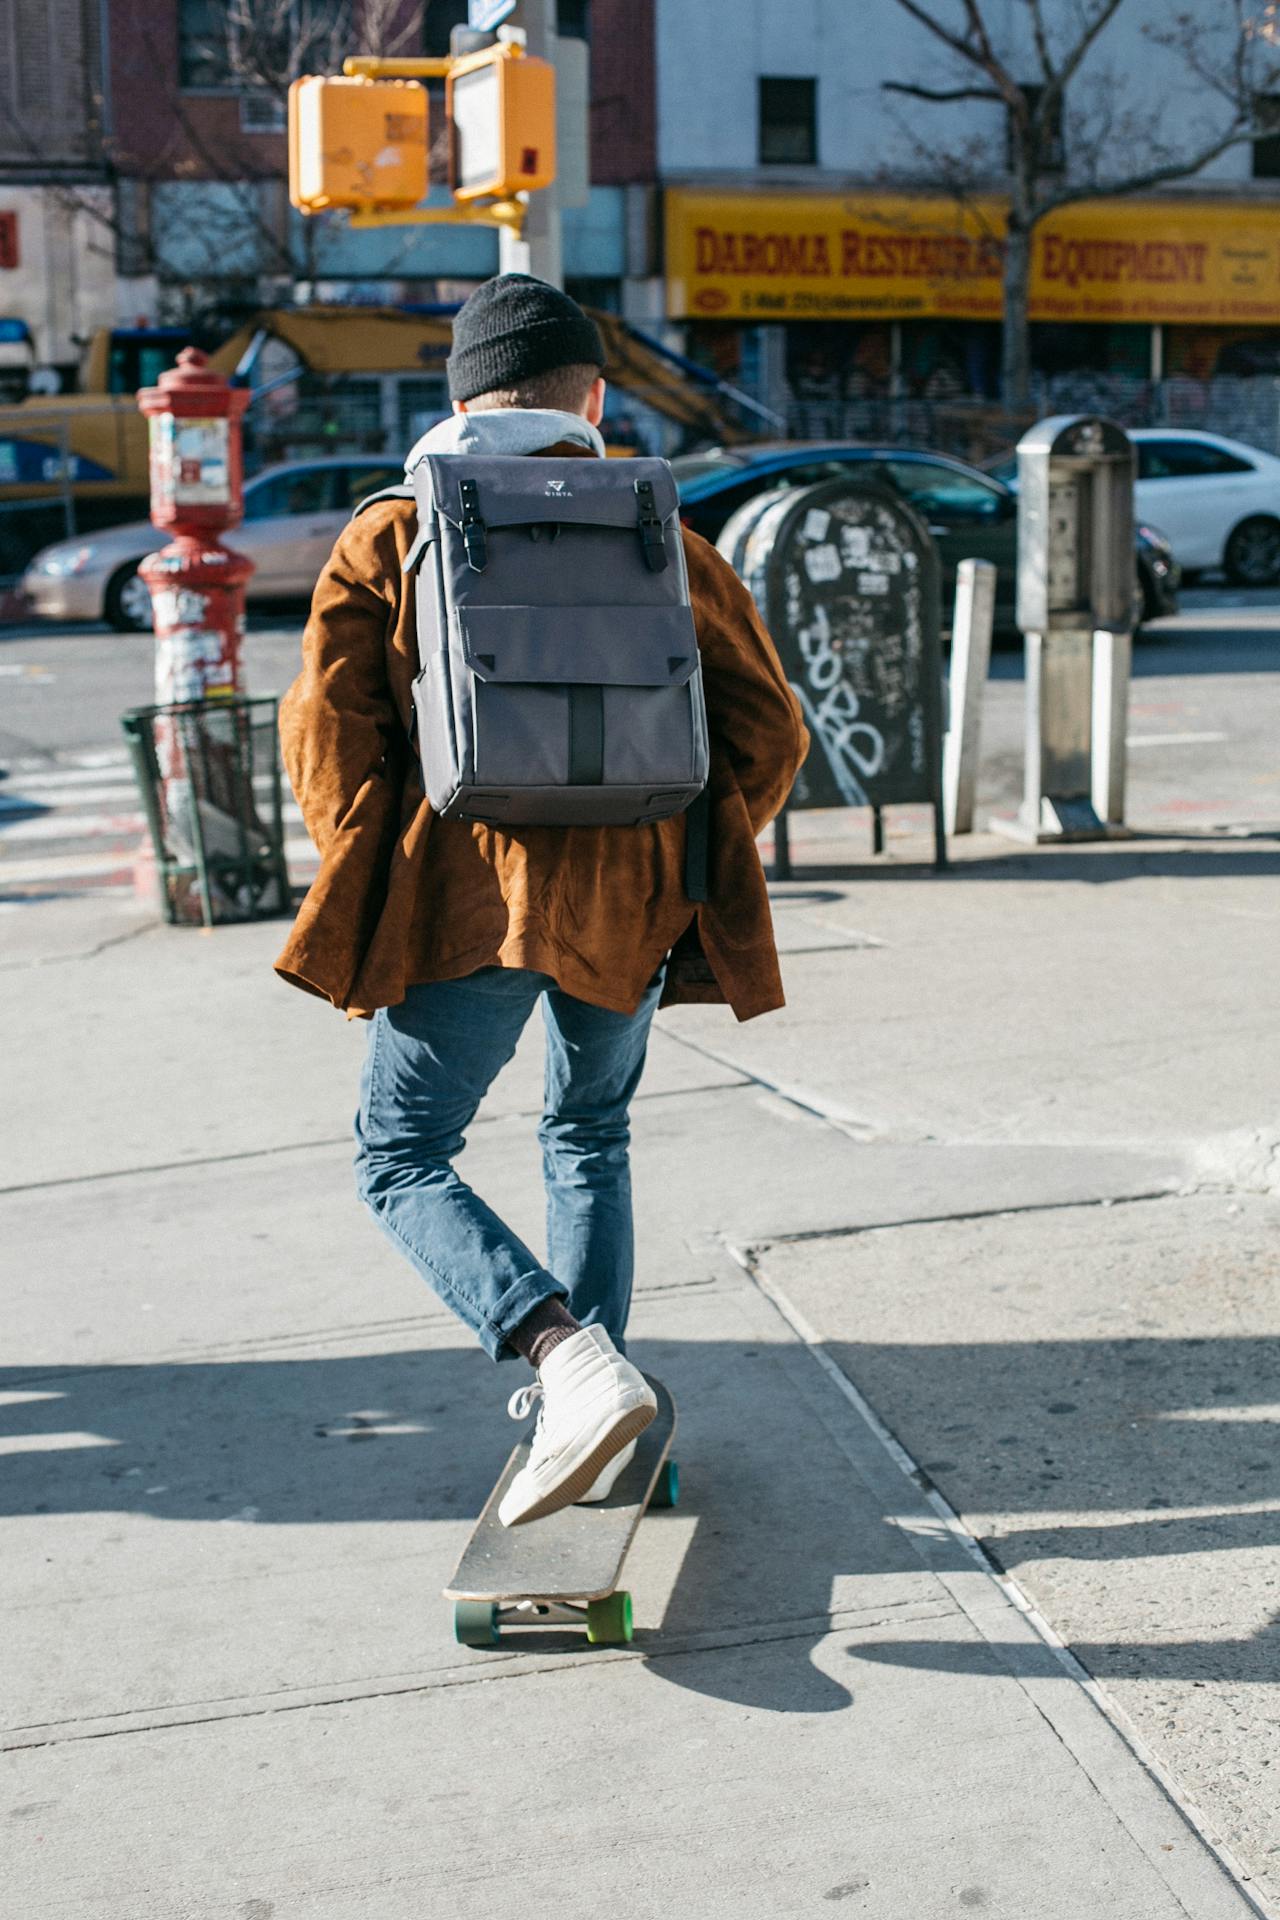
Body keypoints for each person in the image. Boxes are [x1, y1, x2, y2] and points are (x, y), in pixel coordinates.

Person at [275, 275, 808, 1526]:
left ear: (456, 399)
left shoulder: (393, 533)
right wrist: (691, 858)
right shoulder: (662, 537)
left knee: (400, 1153)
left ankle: (562, 1360)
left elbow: (326, 739)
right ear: (595, 399)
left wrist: (369, 876)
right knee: (589, 1137)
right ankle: (604, 1415)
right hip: (631, 901)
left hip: (464, 895)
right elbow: (770, 730)